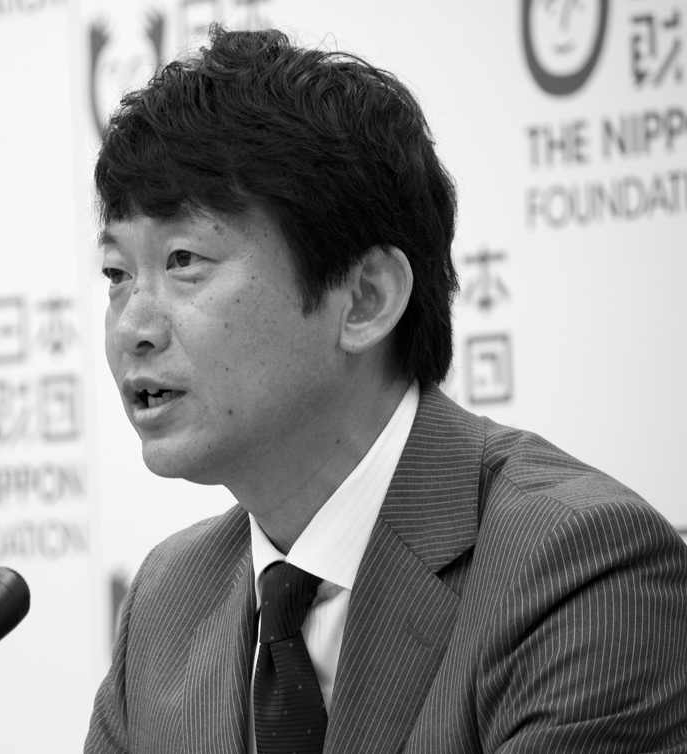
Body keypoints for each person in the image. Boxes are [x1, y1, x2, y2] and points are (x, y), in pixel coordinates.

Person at [85, 25, 687, 754]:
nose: (133, 328)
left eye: (184, 259)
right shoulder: (166, 605)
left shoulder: (575, 570)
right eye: (117, 274)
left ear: (365, 299)